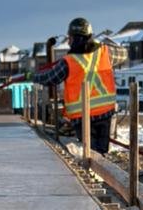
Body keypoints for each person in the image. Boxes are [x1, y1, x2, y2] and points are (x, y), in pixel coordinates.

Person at [33, 17, 116, 154]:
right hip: (105, 113)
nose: (68, 41)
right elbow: (123, 54)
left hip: (83, 116)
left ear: (73, 38)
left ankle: (93, 170)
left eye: (69, 38)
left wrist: (34, 76)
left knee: (90, 153)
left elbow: (49, 78)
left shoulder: (69, 61)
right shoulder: (104, 52)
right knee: (101, 151)